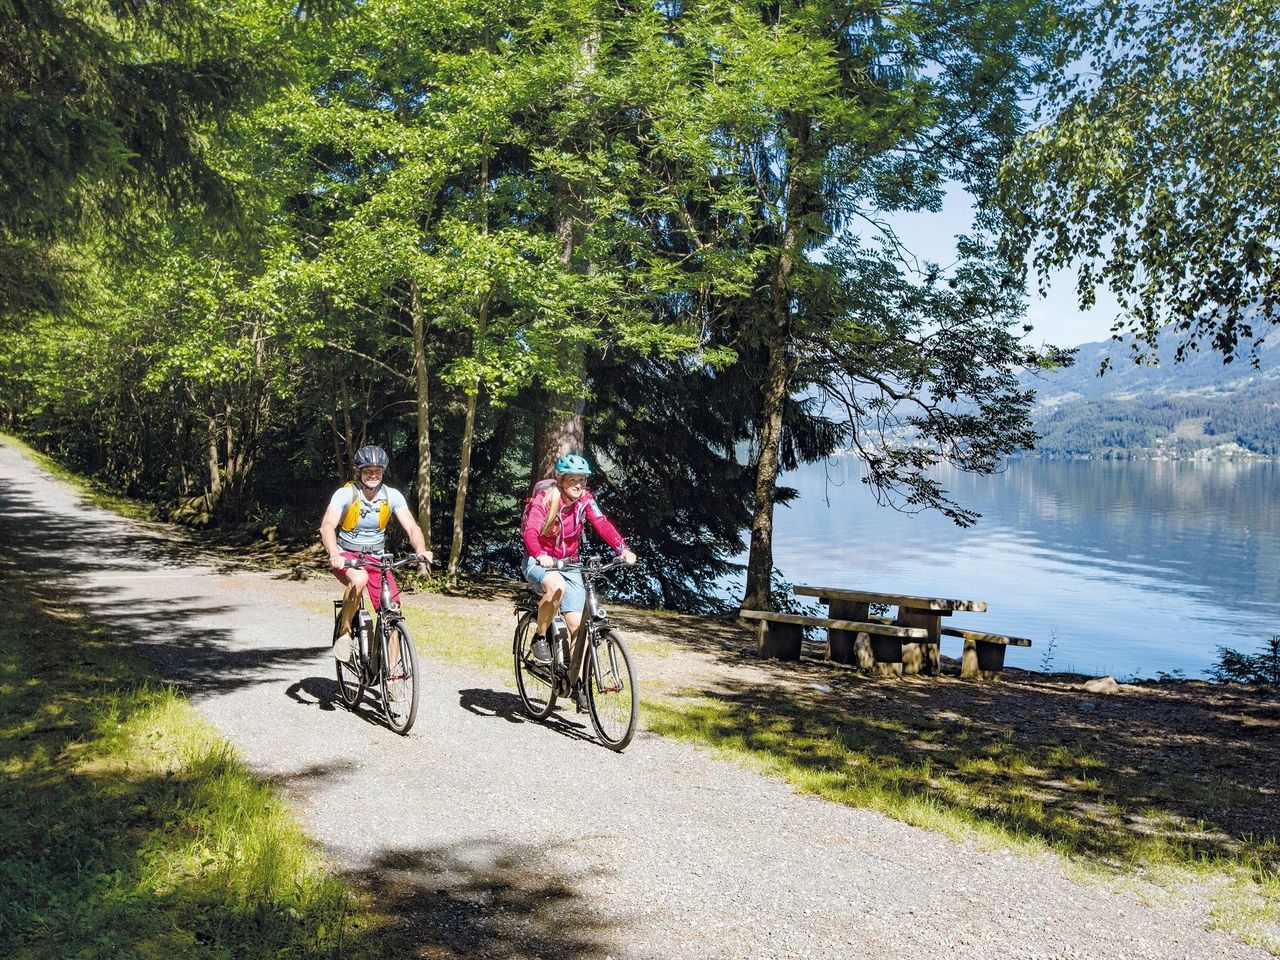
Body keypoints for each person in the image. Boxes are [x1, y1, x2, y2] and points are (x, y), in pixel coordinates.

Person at [522, 452, 637, 678]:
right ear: (561, 480)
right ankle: (540, 637)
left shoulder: (585, 500)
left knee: (579, 627)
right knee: (556, 587)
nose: (578, 485)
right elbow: (530, 532)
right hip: (539, 562)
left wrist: (622, 549)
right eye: (573, 480)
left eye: (582, 480)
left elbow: (602, 524)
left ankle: (576, 682)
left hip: (570, 564)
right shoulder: (544, 499)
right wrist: (539, 554)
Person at [320, 444, 431, 661]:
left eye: (377, 471)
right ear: (359, 472)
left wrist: (421, 550)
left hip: (377, 559)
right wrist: (334, 552)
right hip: (348, 556)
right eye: (368, 471)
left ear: (383, 472)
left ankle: (393, 676)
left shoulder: (391, 496)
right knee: (359, 579)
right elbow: (327, 526)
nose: (373, 476)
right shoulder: (346, 494)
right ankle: (344, 632)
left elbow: (411, 527)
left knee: (393, 611)